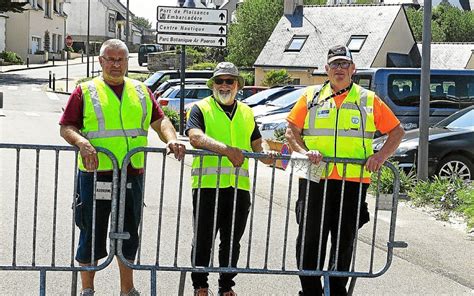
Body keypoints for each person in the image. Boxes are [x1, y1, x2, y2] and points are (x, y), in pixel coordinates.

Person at [59, 39, 186, 296]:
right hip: (95, 177)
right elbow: (66, 127)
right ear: (101, 61)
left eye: (121, 60)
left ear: (128, 62)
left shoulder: (141, 91)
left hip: (131, 175)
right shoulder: (85, 91)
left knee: (128, 235)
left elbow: (160, 122)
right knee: (90, 234)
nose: (116, 65)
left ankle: (127, 290)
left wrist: (172, 138)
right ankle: (87, 290)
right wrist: (82, 142)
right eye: (111, 59)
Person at [285, 45, 405, 296]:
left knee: (344, 238)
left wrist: (380, 156)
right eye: (334, 64)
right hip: (315, 177)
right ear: (326, 69)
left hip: (352, 180)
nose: (339, 69)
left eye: (344, 64)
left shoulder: (367, 99)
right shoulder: (310, 96)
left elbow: (397, 132)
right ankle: (310, 289)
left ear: (353, 69)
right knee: (309, 237)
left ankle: (337, 288)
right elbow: (291, 132)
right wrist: (304, 152)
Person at [186, 62, 276, 296]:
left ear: (238, 85)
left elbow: (257, 142)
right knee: (203, 239)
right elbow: (195, 137)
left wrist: (266, 151)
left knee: (232, 241)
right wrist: (227, 150)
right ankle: (200, 285)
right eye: (219, 81)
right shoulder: (200, 108)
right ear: (212, 85)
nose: (224, 85)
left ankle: (226, 286)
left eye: (230, 81)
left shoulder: (246, 112)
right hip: (208, 186)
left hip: (238, 188)